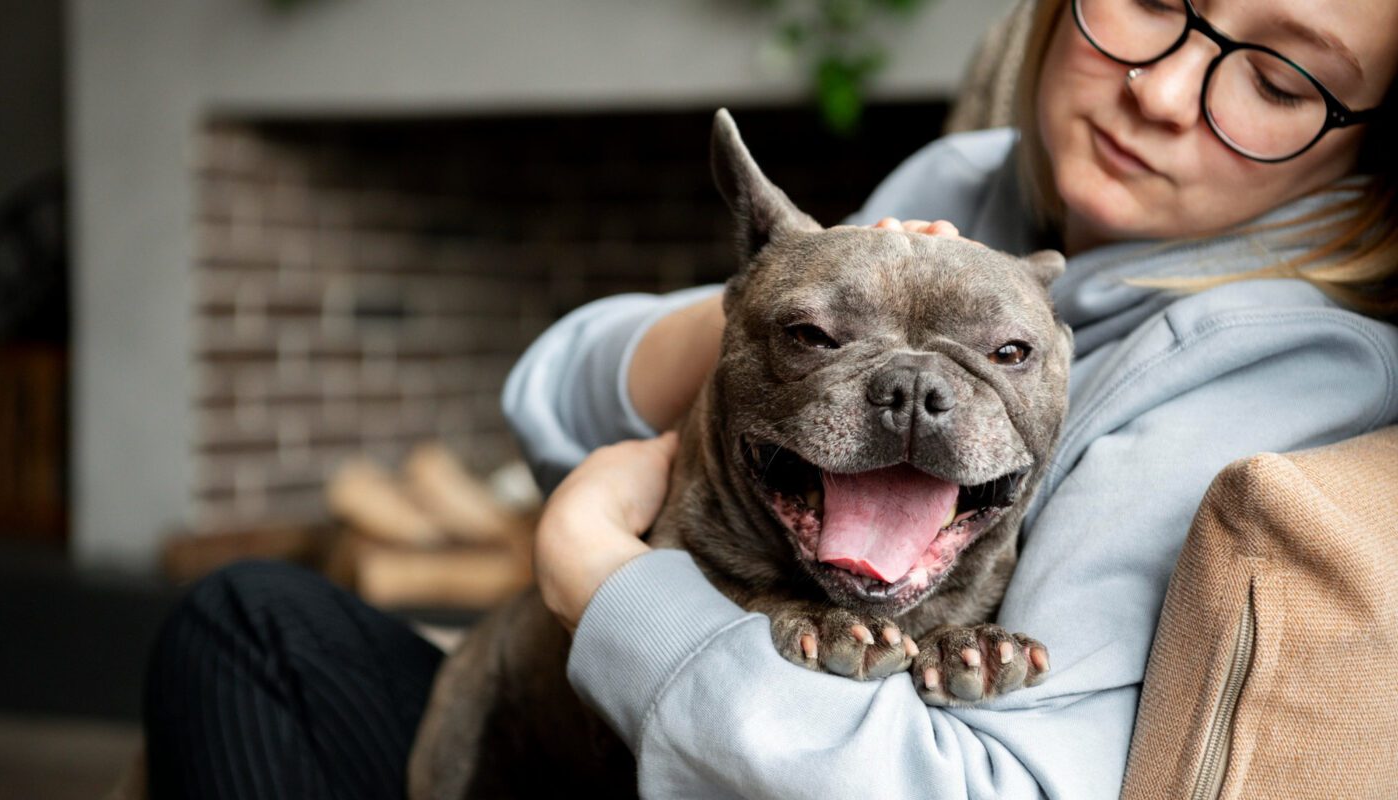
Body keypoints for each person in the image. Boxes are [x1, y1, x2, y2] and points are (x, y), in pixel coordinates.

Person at [139, 0, 1398, 797]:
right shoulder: (970, 187)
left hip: (734, 728)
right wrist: (763, 298)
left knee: (247, 636)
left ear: (1366, 147)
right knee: (254, 620)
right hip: (588, 730)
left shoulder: (1267, 369)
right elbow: (546, 392)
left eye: (1278, 83)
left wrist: (599, 577)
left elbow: (993, 782)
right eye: (1146, 1)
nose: (1164, 90)